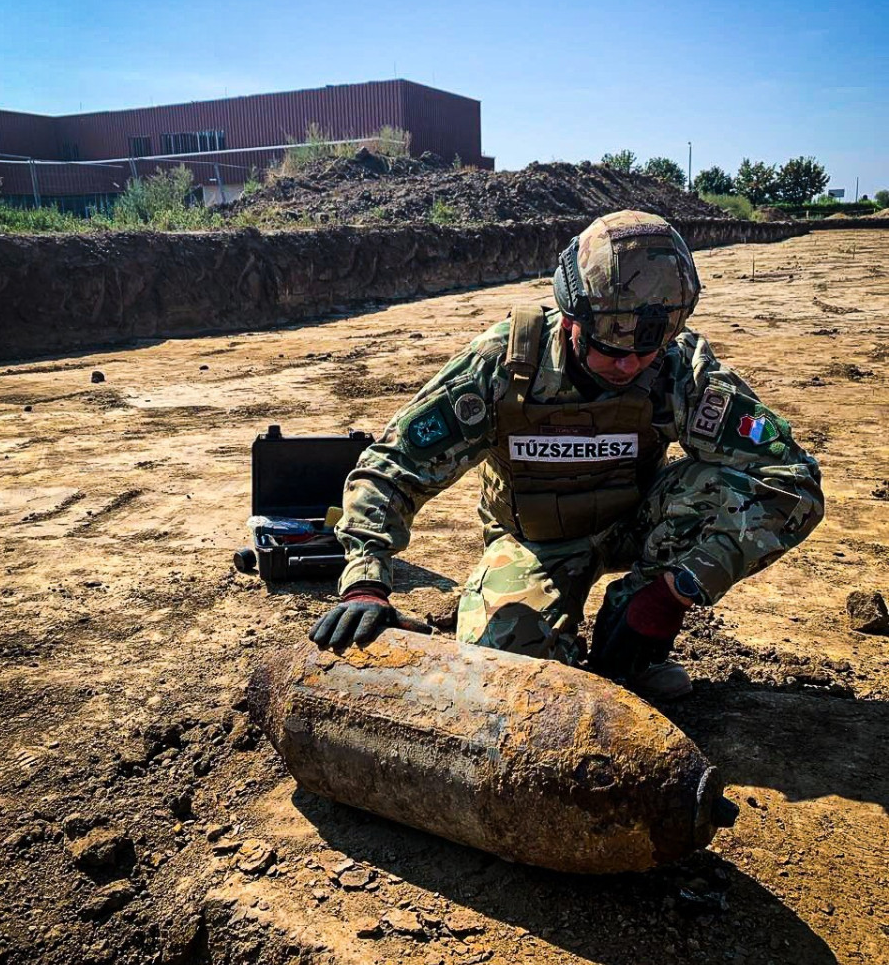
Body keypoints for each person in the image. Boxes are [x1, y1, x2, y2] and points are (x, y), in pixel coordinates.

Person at [309, 210, 824, 699]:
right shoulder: (505, 365)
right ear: (571, 318)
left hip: (637, 524)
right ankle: (557, 639)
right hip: (534, 540)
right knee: (501, 671)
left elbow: (791, 480)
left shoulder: (676, 367)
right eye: (613, 350)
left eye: (645, 352)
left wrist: (673, 594)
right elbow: (391, 468)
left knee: (729, 490)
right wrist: (365, 582)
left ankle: (631, 650)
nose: (629, 366)